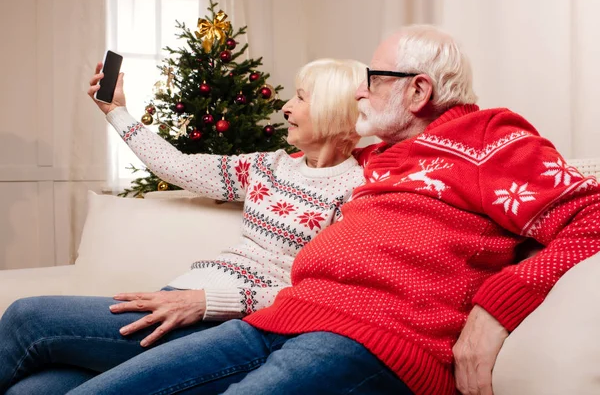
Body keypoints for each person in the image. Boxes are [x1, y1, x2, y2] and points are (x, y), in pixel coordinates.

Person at [51, 24, 600, 395]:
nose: (360, 94)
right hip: (285, 316)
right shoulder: (381, 159)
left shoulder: (491, 140)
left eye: (371, 80)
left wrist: (494, 310)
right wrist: (118, 113)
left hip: (369, 337)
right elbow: (202, 163)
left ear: (418, 90)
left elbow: (590, 214)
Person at [0, 58, 367, 394]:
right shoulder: (267, 166)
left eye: (301, 99)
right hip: (175, 299)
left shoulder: (358, 191)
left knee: (27, 317)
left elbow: (326, 293)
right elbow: (177, 166)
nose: (286, 107)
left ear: (333, 112)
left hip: (218, 322)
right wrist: (116, 112)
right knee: (34, 389)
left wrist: (208, 301)